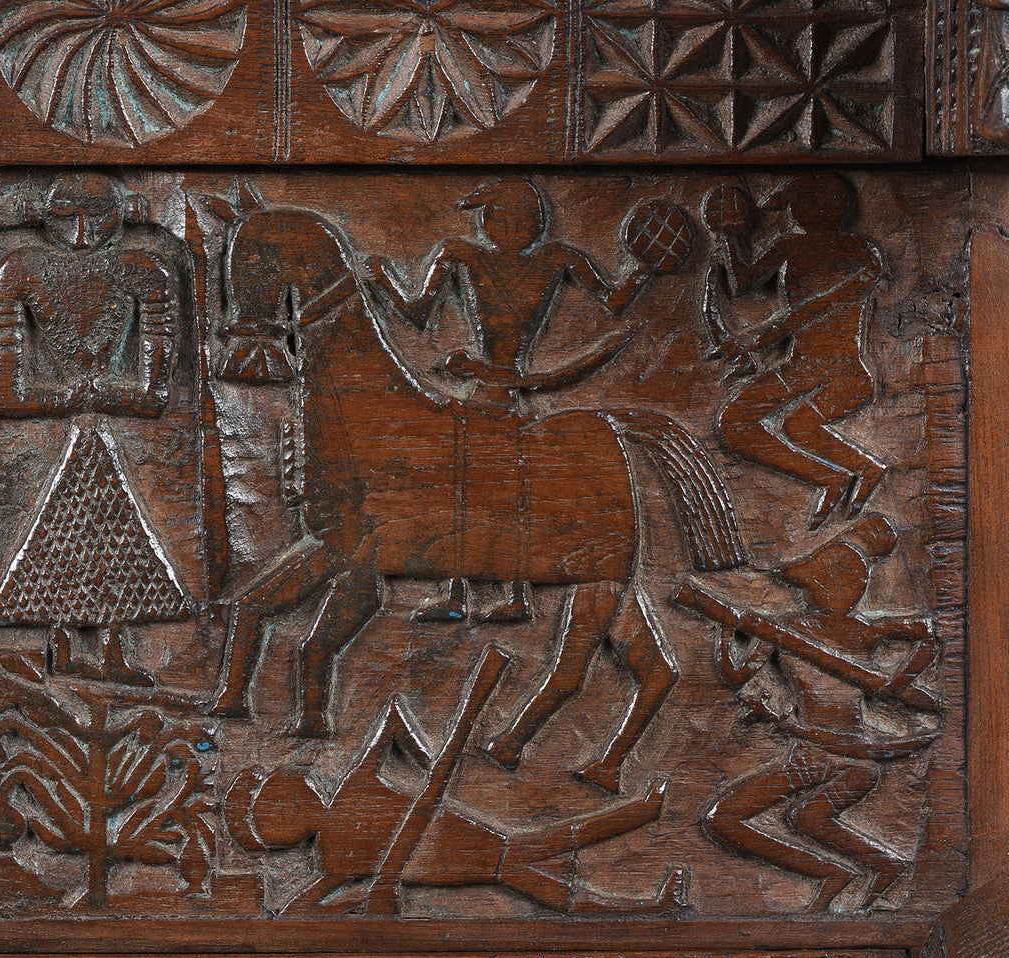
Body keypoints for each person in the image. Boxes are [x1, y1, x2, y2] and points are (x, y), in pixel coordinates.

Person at [368, 179, 653, 622]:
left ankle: (484, 594)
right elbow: (616, 297)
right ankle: (482, 592)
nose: (495, 225)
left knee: (477, 488)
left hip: (492, 394)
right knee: (483, 486)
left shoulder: (476, 254)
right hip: (495, 394)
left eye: (500, 216)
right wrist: (642, 266)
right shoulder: (499, 255)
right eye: (493, 218)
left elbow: (414, 311)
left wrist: (384, 279)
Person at [701, 515, 938, 910]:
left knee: (741, 819)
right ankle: (866, 866)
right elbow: (737, 673)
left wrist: (896, 684)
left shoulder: (862, 631)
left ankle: (845, 871)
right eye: (837, 584)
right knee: (778, 819)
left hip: (844, 756)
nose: (845, 593)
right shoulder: (788, 629)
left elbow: (928, 632)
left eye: (852, 586)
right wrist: (729, 627)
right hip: (819, 755)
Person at [701, 177, 885, 530]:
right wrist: (728, 235)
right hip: (801, 368)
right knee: (734, 423)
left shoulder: (862, 253)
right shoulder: (791, 246)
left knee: (798, 425)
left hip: (843, 374)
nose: (794, 214)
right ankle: (833, 477)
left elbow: (817, 307)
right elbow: (744, 284)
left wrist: (756, 338)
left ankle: (864, 469)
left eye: (797, 206)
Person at [0, 172, 176, 418]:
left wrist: (84, 399)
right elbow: (8, 400)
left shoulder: (146, 270)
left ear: (127, 211)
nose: (80, 236)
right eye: (64, 216)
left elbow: (154, 397)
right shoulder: (18, 270)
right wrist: (72, 401)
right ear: (39, 213)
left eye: (99, 216)